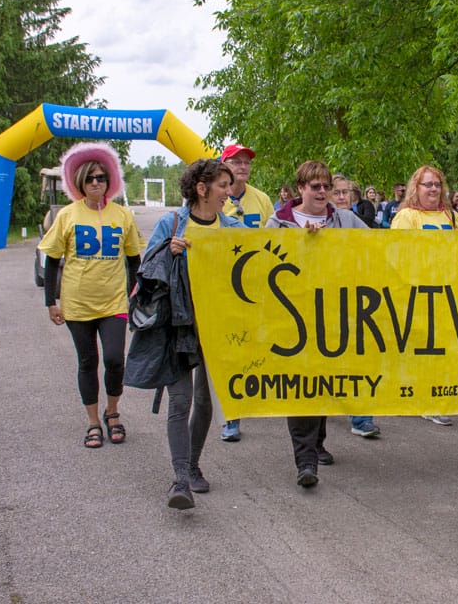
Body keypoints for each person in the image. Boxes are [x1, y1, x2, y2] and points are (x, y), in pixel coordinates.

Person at [266, 160, 371, 487]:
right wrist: (301, 242)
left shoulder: (344, 220)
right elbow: (263, 263)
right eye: (315, 186)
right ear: (301, 189)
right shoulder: (279, 223)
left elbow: (377, 249)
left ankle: (317, 441)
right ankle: (305, 461)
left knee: (324, 380)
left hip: (333, 315)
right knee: (300, 385)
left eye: (326, 186)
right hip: (293, 319)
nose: (323, 192)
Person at [146, 158, 243, 509]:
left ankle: (193, 464)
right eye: (222, 186)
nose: (228, 194)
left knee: (203, 402)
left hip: (216, 328)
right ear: (201, 188)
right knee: (181, 400)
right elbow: (146, 270)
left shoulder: (232, 227)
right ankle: (181, 479)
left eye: (229, 186)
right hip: (178, 327)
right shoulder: (171, 224)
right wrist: (168, 252)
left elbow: (262, 256)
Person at [38, 142, 143, 449]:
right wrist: (51, 302)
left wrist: (134, 296)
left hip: (113, 303)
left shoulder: (122, 215)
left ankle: (113, 412)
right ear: (80, 183)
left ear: (109, 181)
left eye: (101, 177)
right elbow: (53, 261)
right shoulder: (68, 216)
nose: (97, 182)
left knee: (114, 359)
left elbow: (135, 260)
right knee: (87, 361)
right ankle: (93, 421)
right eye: (90, 178)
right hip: (77, 304)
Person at [392, 165, 458, 425]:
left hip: (447, 288)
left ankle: (435, 394)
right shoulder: (407, 217)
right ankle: (421, 397)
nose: (434, 189)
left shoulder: (452, 217)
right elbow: (397, 255)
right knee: (420, 345)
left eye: (437, 184)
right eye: (427, 184)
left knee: (442, 344)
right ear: (416, 188)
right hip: (417, 289)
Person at [219, 143, 275, 442]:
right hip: (223, 284)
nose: (242, 166)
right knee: (230, 349)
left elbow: (276, 236)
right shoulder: (216, 197)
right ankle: (231, 415)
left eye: (246, 162)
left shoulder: (262, 200)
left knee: (258, 346)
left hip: (256, 284)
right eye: (236, 161)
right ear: (224, 165)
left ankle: (257, 398)